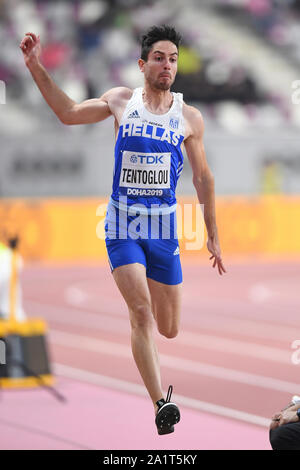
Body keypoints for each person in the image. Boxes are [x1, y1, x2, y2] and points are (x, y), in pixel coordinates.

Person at [20, 25, 226, 435]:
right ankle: (160, 405)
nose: (166, 65)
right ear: (142, 64)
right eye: (159, 58)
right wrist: (35, 66)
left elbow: (203, 179)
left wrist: (212, 232)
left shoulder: (188, 118)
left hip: (164, 227)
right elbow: (67, 114)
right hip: (122, 222)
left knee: (169, 328)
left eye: (172, 59)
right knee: (140, 312)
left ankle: (158, 377)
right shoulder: (121, 101)